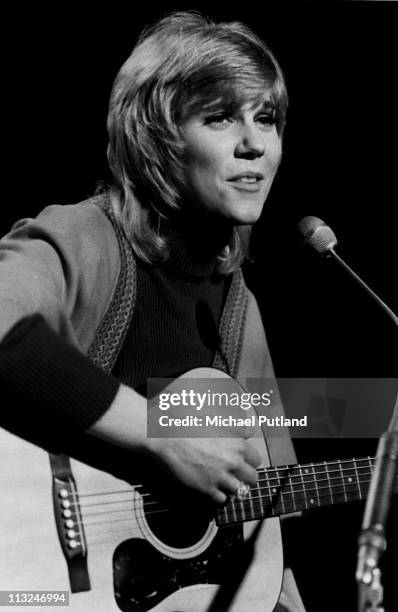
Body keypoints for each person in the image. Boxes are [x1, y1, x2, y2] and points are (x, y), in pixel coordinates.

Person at [0, 11, 305, 612]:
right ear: (156, 137)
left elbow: (273, 505)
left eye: (266, 118)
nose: (254, 143)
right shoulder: (82, 237)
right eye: (219, 117)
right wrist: (161, 438)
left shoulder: (240, 308)